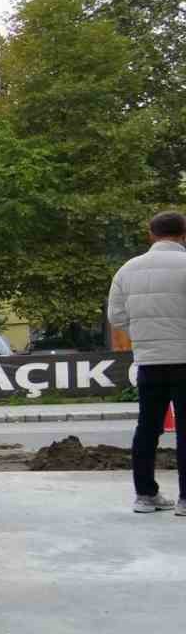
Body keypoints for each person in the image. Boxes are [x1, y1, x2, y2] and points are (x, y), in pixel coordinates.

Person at [107, 210, 186, 514]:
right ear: (183, 234)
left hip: (149, 361)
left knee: (147, 428)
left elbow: (116, 317)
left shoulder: (128, 270)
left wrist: (144, 333)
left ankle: (145, 495)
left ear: (151, 235)